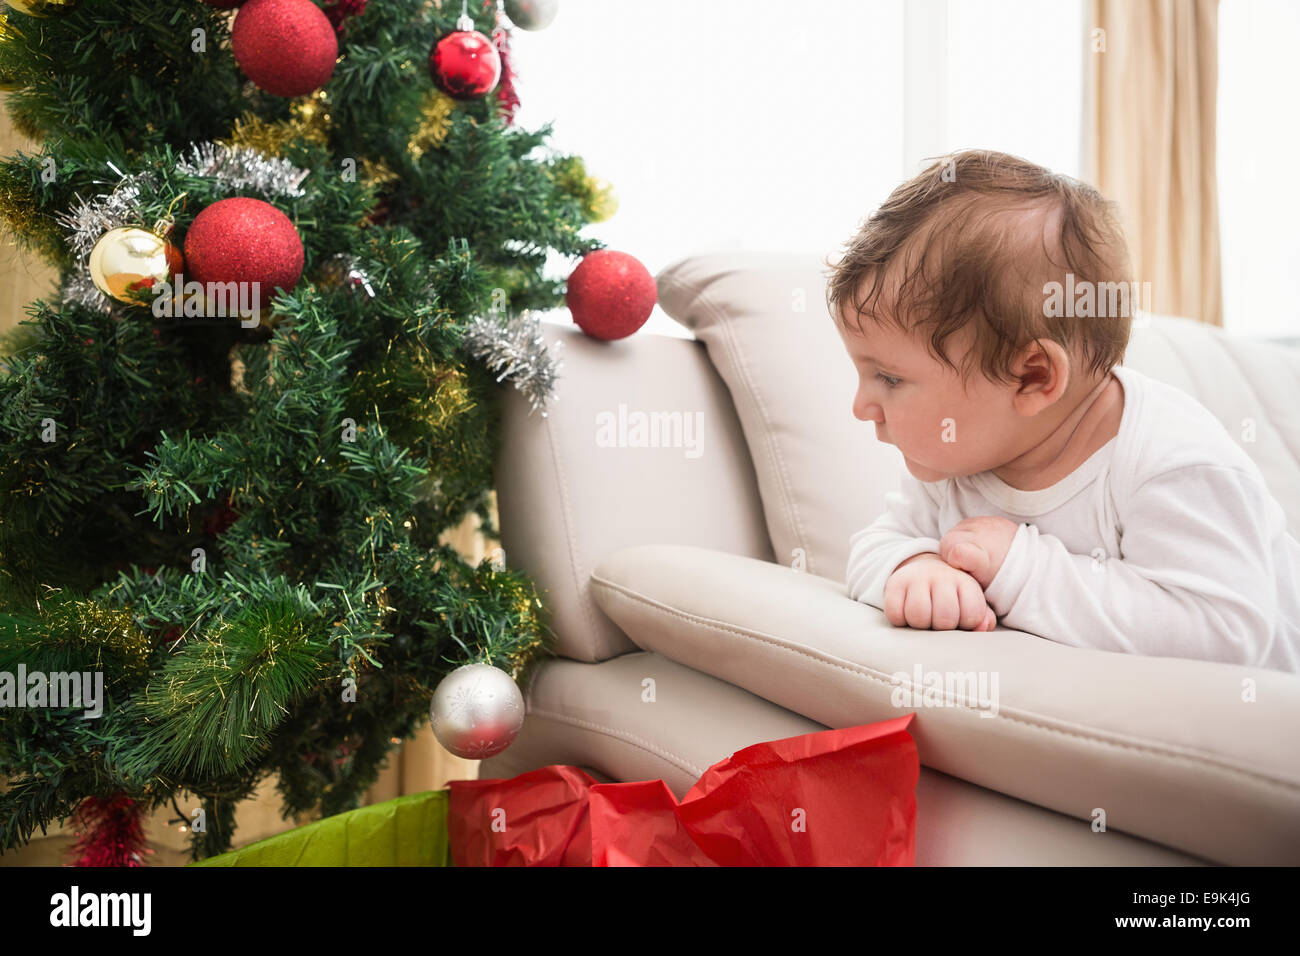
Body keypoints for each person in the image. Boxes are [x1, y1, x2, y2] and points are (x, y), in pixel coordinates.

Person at [828, 149, 1299, 672]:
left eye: (889, 378)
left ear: (1032, 376)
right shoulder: (953, 461)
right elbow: (875, 544)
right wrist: (911, 565)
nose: (861, 406)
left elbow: (1226, 632)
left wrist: (1023, 570)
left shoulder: (1172, 460)